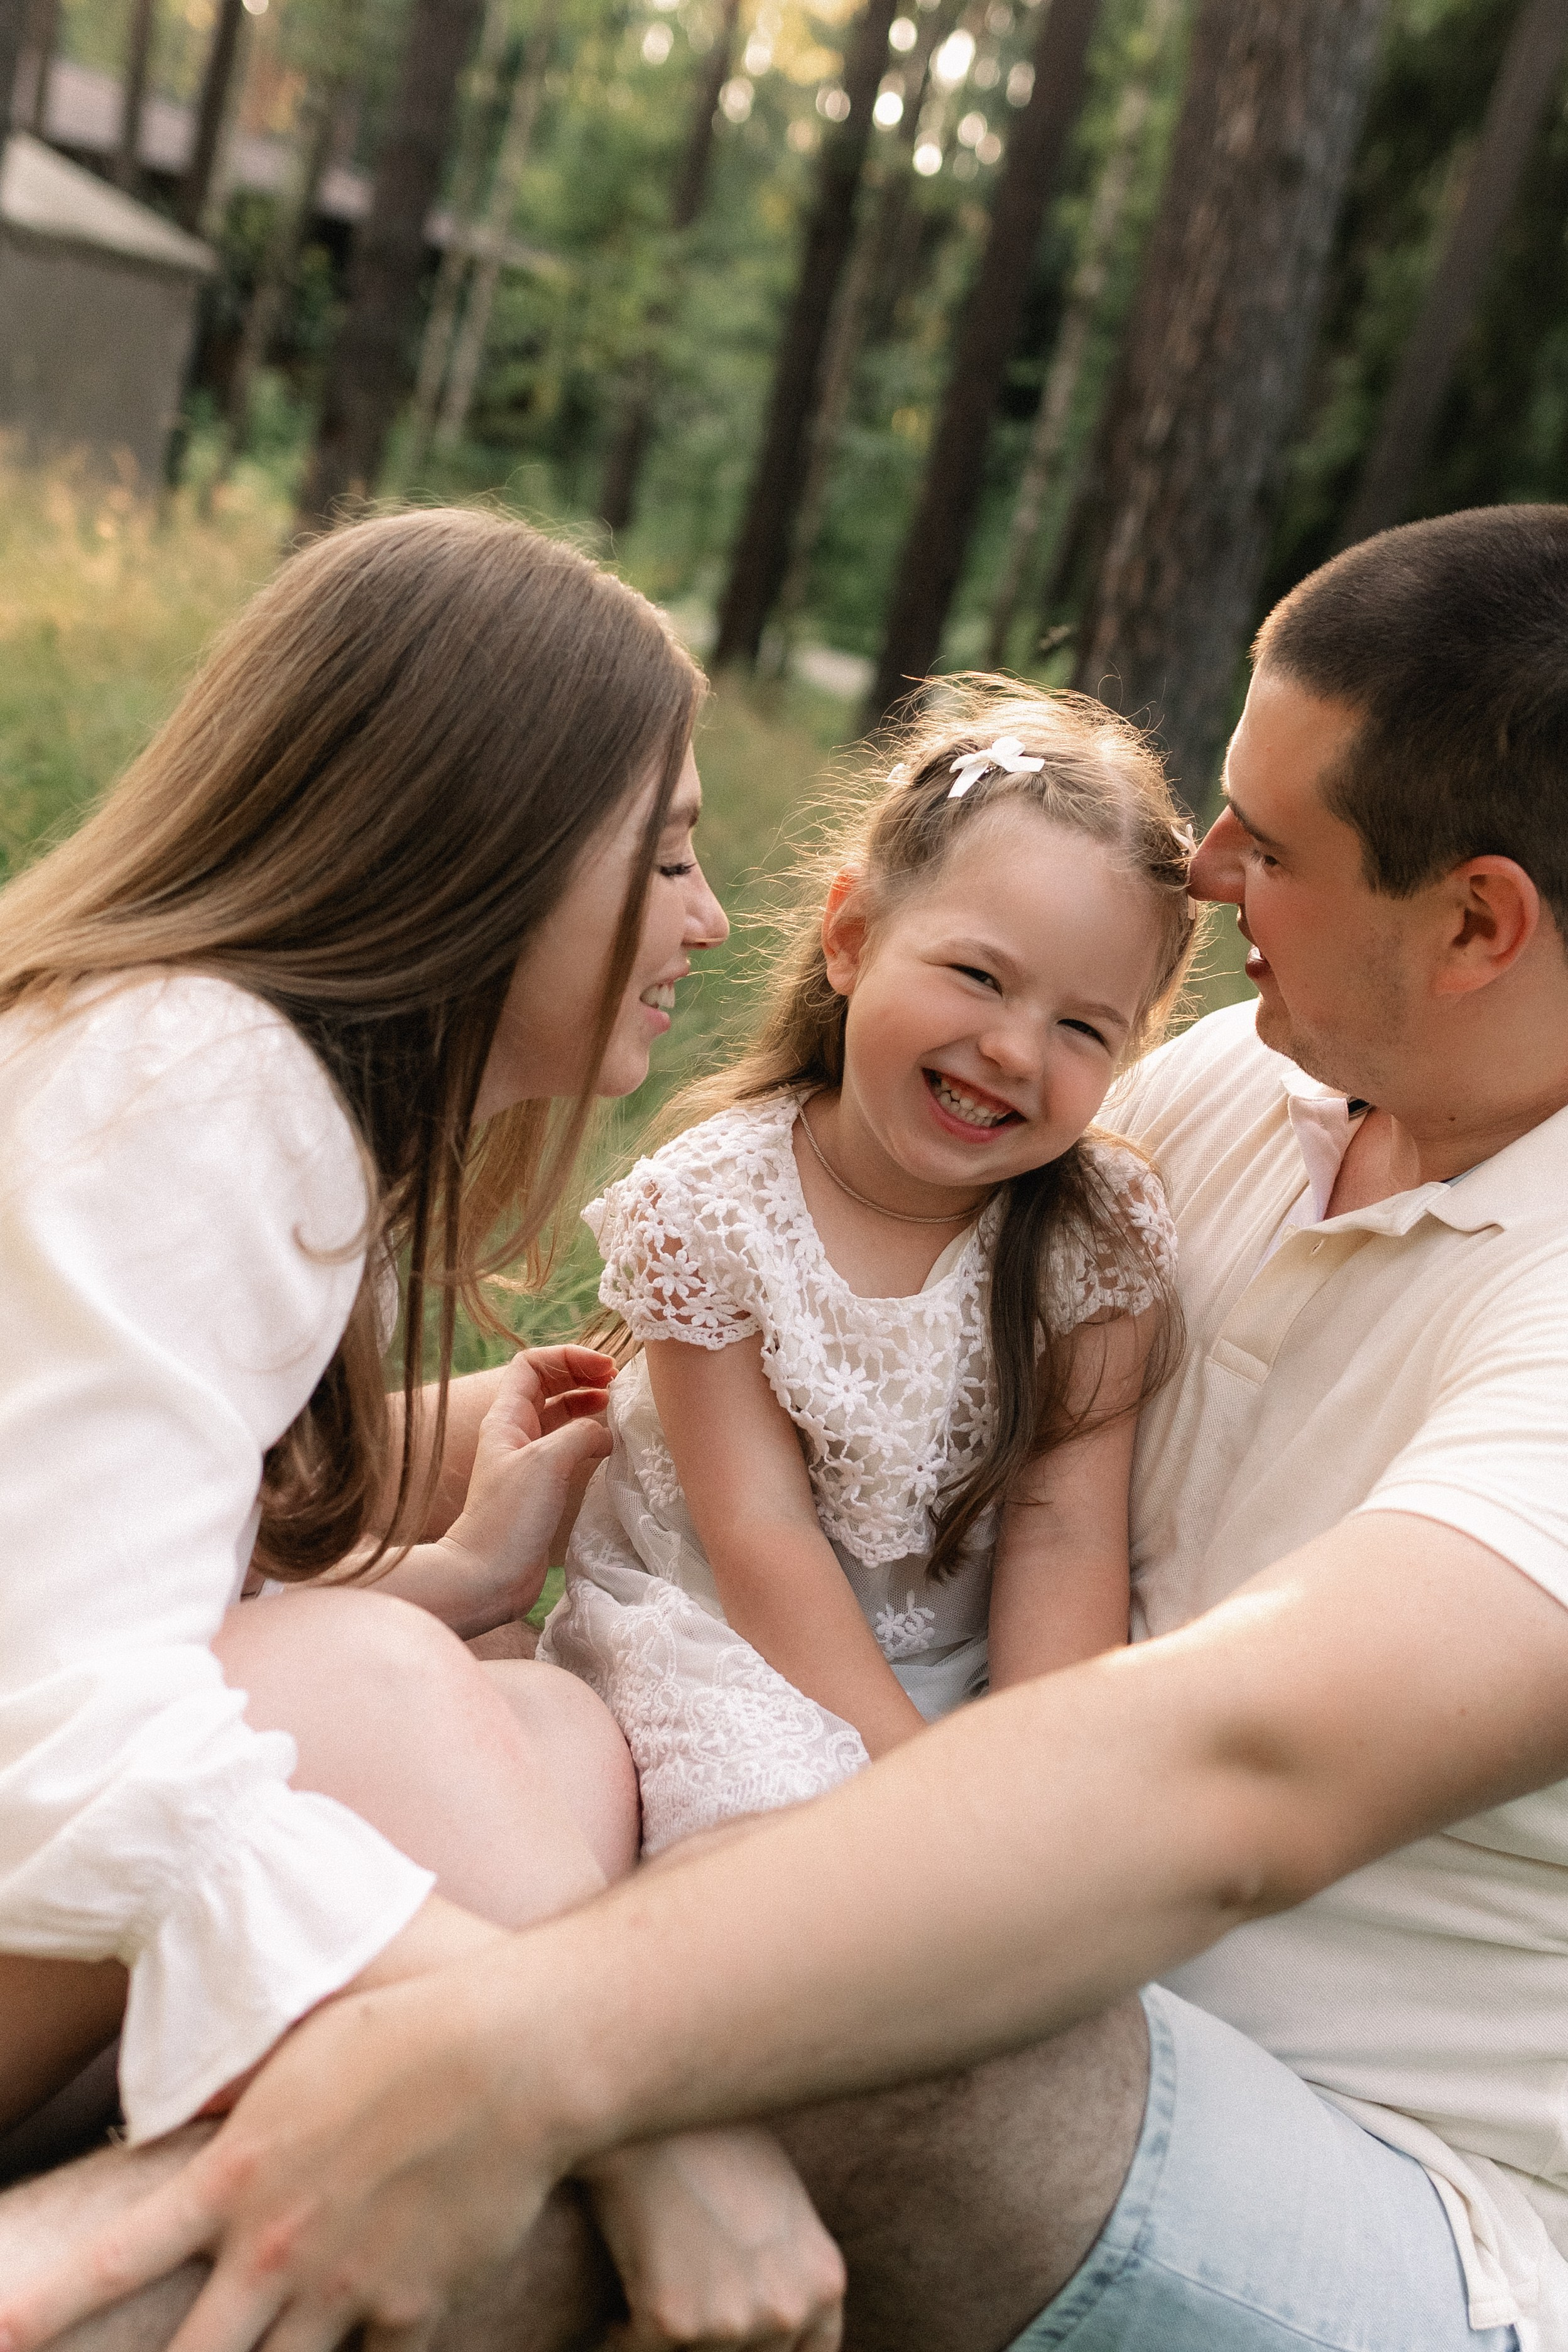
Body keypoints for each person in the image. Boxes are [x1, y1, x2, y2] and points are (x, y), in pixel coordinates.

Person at [8, 501, 1568, 2352]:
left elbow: (1237, 1777)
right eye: (668, 856)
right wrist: (426, 1515)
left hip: (1390, 2192)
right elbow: (754, 1371)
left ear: (1477, 922)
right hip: (984, 1867)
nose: (1206, 870)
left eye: (1273, 842)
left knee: (792, 1973)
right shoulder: (1259, 1073)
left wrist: (554, 2043)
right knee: (523, 1806)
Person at [0, 505, 846, 2351]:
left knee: (543, 1726)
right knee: (381, 1690)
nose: (709, 919)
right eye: (670, 855)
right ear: (481, 845)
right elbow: (52, 1733)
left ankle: (206, 2175)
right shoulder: (187, 1077)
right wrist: (632, 2101)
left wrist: (446, 1569)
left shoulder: (224, 1075)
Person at [540, 686, 1197, 1850]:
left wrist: (1029, 1773)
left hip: (959, 1664)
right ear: (850, 938)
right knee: (793, 1841)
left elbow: (1066, 1535)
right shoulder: (717, 1212)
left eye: (1083, 1027)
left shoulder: (1094, 1237)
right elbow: (760, 1539)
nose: (1013, 1049)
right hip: (727, 1639)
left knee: (1059, 1854)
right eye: (980, 976)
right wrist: (921, 1780)